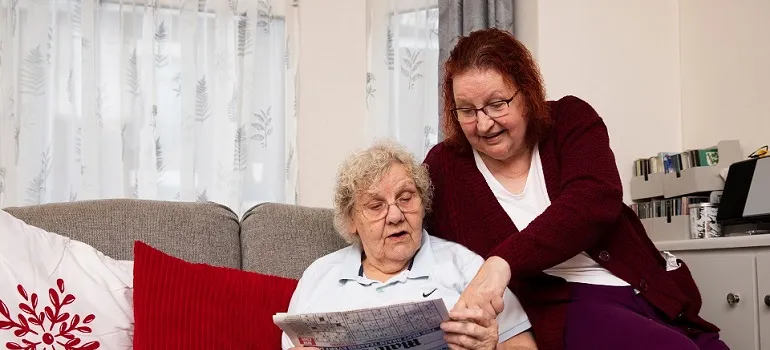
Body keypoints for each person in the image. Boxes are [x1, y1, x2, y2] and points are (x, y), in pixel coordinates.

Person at [423, 28, 728, 350]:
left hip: (645, 288)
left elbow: (593, 200)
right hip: (561, 303)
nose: (483, 124)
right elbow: (409, 229)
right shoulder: (444, 165)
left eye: (497, 104)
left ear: (526, 93)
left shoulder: (570, 119)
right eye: (467, 110)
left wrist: (501, 263)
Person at [282, 141, 537, 350]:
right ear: (351, 221)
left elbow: (524, 345)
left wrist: (492, 348)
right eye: (375, 206)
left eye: (406, 198)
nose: (395, 216)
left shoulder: (465, 266)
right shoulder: (319, 276)